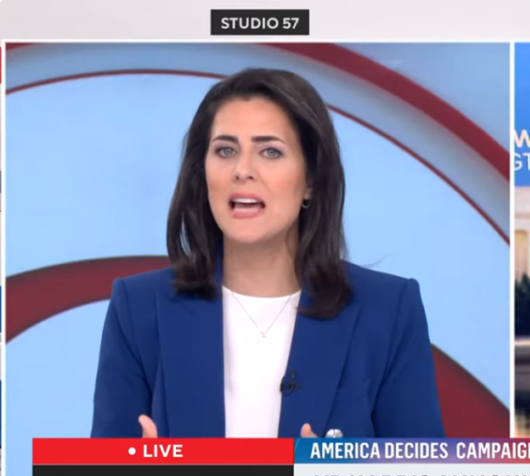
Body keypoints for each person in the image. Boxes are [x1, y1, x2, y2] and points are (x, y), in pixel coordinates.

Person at [91, 68, 445, 440]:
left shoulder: (387, 311)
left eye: (270, 151)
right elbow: (100, 474)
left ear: (311, 180)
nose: (242, 170)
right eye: (225, 150)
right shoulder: (139, 309)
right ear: (202, 172)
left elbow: (421, 474)